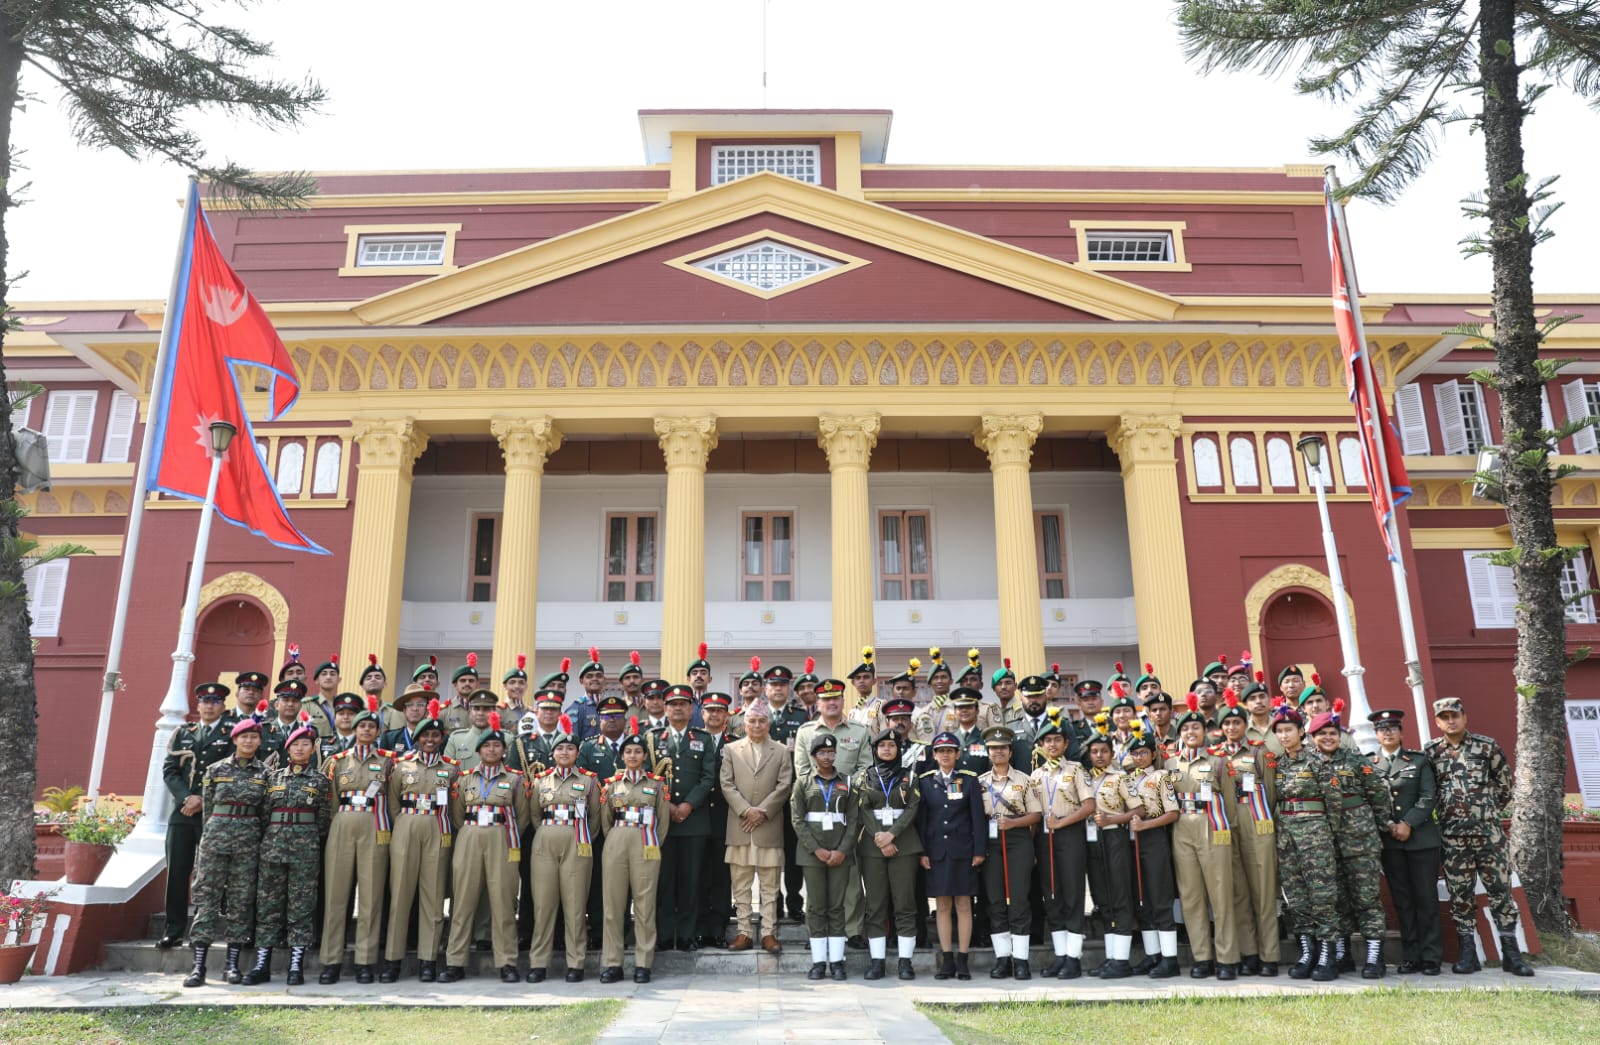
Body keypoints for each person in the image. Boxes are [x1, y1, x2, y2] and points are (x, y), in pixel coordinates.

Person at [1424, 696, 1535, 976]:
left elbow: (1505, 786)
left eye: (1455, 715)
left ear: (1464, 717)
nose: (1451, 720)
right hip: (1453, 838)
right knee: (1460, 895)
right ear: (1437, 722)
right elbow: (1429, 791)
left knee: (1500, 891)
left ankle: (1512, 955)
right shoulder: (1431, 753)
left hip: (1489, 836)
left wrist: (1484, 812)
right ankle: (1468, 955)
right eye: (1445, 717)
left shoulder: (1487, 746)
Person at [440, 713, 530, 983]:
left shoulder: (515, 779)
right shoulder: (465, 779)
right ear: (478, 750)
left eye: (497, 746)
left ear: (504, 750)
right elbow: (457, 814)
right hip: (469, 836)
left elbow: (523, 816)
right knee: (463, 902)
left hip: (502, 838)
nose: (492, 749)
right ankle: (455, 961)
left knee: (503, 902)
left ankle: (507, 962)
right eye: (486, 746)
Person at [183, 718, 270, 989]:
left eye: (254, 737)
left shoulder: (265, 774)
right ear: (235, 740)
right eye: (243, 737)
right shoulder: (215, 769)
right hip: (215, 839)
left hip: (248, 841)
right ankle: (198, 964)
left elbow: (265, 812)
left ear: (259, 741)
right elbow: (207, 808)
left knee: (240, 901)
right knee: (206, 898)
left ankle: (232, 965)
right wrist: (212, 832)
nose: (248, 741)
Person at [248, 724, 331, 986]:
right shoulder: (272, 779)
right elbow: (263, 816)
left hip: (305, 851)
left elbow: (324, 819)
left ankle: (296, 965)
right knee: (268, 907)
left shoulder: (320, 781)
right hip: (273, 849)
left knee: (301, 907)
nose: (299, 748)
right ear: (287, 748)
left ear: (312, 749)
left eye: (305, 744)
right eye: (295, 744)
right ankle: (262, 964)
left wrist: (305, 837)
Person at [317, 696, 393, 985]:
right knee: (336, 897)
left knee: (371, 898)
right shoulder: (336, 761)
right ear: (354, 730)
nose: (365, 731)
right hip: (344, 824)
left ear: (377, 732)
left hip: (374, 826)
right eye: (361, 726)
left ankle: (365, 960)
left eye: (371, 727)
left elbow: (393, 800)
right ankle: (331, 960)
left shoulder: (388, 762)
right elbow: (331, 801)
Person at [382, 700, 459, 983]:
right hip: (406, 825)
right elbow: (392, 802)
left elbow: (454, 806)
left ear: (441, 739)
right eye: (425, 736)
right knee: (400, 894)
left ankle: (429, 959)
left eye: (435, 736)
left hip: (437, 828)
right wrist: (401, 824)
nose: (429, 740)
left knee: (433, 896)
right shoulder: (401, 767)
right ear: (416, 738)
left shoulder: (451, 769)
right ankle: (392, 959)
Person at [792, 677, 871, 949]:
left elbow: (865, 768)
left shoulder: (859, 732)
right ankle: (817, 932)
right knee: (815, 879)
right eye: (825, 699)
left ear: (842, 700)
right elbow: (802, 769)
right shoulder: (805, 732)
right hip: (814, 808)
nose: (831, 703)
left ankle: (853, 930)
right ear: (819, 702)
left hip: (847, 808)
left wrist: (844, 788)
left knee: (849, 872)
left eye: (836, 698)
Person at [1311, 701, 1388, 977]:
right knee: (1338, 901)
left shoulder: (1356, 761)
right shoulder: (1309, 763)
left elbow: (1378, 795)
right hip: (1326, 843)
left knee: (1366, 899)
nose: (1328, 738)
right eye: (1322, 734)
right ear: (1313, 737)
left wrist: (1381, 828)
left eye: (1333, 733)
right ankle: (1343, 955)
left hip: (1360, 841)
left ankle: (1374, 956)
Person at [1168, 693, 1240, 979]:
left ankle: (1226, 958)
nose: (1190, 732)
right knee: (1191, 895)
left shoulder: (1220, 762)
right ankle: (1201, 957)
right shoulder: (1170, 764)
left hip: (1213, 825)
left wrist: (1228, 829)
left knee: (1220, 894)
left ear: (1205, 731)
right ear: (1180, 733)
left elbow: (1231, 803)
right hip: (1182, 827)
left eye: (1195, 728)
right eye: (1185, 728)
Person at [160, 681, 235, 949]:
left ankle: (205, 928)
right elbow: (170, 770)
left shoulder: (230, 734)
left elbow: (231, 773)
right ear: (198, 704)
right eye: (204, 701)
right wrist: (186, 798)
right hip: (182, 813)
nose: (209, 706)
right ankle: (174, 928)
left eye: (215, 702)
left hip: (212, 813)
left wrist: (203, 800)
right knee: (178, 871)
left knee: (211, 872)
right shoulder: (184, 733)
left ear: (223, 706)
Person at [1369, 707, 1443, 975]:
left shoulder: (1419, 761)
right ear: (1376, 734)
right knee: (1403, 900)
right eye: (1382, 729)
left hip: (1421, 840)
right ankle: (1412, 956)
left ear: (1400, 732)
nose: (1387, 732)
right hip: (1390, 843)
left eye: (1392, 728)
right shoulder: (1370, 764)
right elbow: (1372, 801)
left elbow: (1427, 796)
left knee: (1426, 898)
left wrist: (1408, 823)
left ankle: (1432, 956)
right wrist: (1389, 825)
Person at [527, 719, 602, 983]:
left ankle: (576, 962)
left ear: (577, 753)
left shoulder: (589, 781)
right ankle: (538, 962)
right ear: (553, 753)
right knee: (544, 905)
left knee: (574, 904)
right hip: (546, 840)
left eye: (570, 748)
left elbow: (595, 817)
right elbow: (534, 815)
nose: (565, 753)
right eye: (560, 749)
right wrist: (548, 832)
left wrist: (579, 837)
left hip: (577, 840)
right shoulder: (540, 782)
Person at [1270, 703, 1341, 981]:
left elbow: (1334, 802)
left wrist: (1325, 834)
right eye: (1280, 731)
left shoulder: (1318, 760)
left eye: (1289, 730)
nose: (1285, 736)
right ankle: (1308, 952)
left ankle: (1327, 955)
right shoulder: (1277, 764)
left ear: (1301, 731)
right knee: (1297, 899)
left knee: (1322, 897)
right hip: (1288, 839)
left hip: (1315, 837)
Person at [599, 720, 673, 984]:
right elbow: (605, 821)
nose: (633, 756)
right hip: (617, 841)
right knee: (613, 906)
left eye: (637, 752)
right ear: (622, 756)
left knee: (644, 906)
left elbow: (663, 822)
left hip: (646, 842)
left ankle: (643, 963)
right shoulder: (610, 785)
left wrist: (651, 843)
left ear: (644, 756)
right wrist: (617, 839)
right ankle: (612, 963)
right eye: (628, 752)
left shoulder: (656, 785)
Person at [720, 700, 795, 955]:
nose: (756, 725)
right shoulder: (731, 749)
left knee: (770, 886)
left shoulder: (782, 750)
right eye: (751, 721)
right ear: (744, 723)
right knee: (740, 885)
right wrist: (746, 810)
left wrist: (762, 812)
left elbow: (784, 785)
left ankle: (768, 933)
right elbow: (726, 784)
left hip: (769, 826)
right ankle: (743, 932)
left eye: (761, 721)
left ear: (768, 723)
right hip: (739, 825)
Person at [1213, 693, 1281, 976]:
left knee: (1263, 890)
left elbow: (1272, 790)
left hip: (1255, 819)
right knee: (1237, 890)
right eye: (1226, 723)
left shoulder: (1259, 752)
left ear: (1245, 724)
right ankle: (1248, 952)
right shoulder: (1214, 756)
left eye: (1236, 722)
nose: (1231, 727)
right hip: (1226, 823)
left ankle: (1269, 955)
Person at [649, 684, 718, 953]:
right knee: (664, 881)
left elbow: (708, 777)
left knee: (691, 881)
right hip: (662, 822)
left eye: (683, 703)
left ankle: (688, 935)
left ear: (692, 708)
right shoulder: (652, 738)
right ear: (665, 709)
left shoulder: (703, 738)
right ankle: (665, 935)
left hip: (694, 821)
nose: (678, 708)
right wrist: (666, 805)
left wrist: (688, 804)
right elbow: (648, 775)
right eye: (672, 703)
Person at [854, 729, 923, 980]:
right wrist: (881, 839)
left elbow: (912, 808)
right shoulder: (866, 777)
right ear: (875, 750)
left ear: (898, 750)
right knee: (875, 906)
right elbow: (864, 810)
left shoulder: (909, 776)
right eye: (881, 746)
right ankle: (878, 962)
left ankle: (906, 962)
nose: (886, 750)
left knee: (905, 904)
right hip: (873, 848)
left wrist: (891, 835)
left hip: (904, 844)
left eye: (891, 746)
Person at [917, 731, 986, 981]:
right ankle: (947, 959)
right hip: (936, 852)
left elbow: (977, 817)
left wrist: (979, 850)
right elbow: (922, 821)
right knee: (943, 905)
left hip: (963, 851)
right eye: (940, 751)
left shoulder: (968, 780)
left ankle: (963, 959)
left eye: (950, 750)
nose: (945, 754)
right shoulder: (925, 781)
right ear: (934, 755)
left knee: (964, 904)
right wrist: (922, 852)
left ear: (958, 754)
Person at [793, 733, 861, 981]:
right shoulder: (803, 783)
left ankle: (837, 961)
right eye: (822, 753)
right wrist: (817, 850)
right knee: (815, 906)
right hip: (813, 855)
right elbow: (798, 821)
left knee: (836, 907)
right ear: (813, 756)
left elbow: (853, 820)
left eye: (831, 753)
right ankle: (819, 962)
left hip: (840, 853)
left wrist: (842, 850)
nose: (827, 757)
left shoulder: (847, 783)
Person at [1028, 719, 1092, 978]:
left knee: (1072, 894)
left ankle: (1074, 958)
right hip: (1044, 839)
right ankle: (1060, 955)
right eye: (1047, 741)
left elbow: (1089, 806)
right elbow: (1034, 812)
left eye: (1057, 739)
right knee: (1051, 896)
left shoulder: (1076, 770)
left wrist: (1061, 823)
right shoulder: (1036, 775)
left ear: (1066, 743)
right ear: (1041, 745)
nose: (1052, 744)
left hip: (1070, 835)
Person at [978, 725, 1041, 980]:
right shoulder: (980, 782)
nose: (998, 752)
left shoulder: (1025, 781)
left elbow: (1036, 815)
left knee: (1018, 900)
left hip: (1017, 840)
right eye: (993, 749)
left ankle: (1021, 960)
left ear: (1010, 751)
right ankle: (1003, 958)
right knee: (995, 901)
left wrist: (1013, 823)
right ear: (988, 752)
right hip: (991, 842)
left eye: (1002, 748)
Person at [1125, 734, 1181, 977]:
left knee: (1160, 898)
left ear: (1153, 754)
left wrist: (1146, 826)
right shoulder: (1126, 779)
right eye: (1135, 753)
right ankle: (1152, 954)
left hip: (1154, 837)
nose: (1139, 757)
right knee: (1142, 900)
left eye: (1143, 753)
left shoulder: (1161, 778)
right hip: (1132, 840)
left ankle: (1170, 959)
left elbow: (1173, 813)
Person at [1083, 731, 1138, 978]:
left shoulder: (1120, 778)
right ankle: (1111, 957)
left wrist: (1111, 819)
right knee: (1102, 897)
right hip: (1093, 839)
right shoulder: (1084, 779)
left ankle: (1122, 960)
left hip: (1115, 836)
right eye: (1094, 751)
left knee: (1120, 896)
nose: (1099, 756)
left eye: (1104, 751)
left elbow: (1139, 809)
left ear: (1112, 753)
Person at [579, 693, 630, 949]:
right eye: (607, 716)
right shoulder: (587, 747)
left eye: (617, 716)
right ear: (598, 720)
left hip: (627, 825)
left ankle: (625, 929)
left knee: (628, 879)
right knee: (599, 879)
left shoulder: (634, 745)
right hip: (597, 823)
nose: (612, 721)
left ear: (625, 719)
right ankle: (598, 930)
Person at [696, 690, 739, 948]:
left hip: (725, 818)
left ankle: (719, 928)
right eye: (710, 710)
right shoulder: (695, 740)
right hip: (698, 818)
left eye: (719, 710)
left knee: (722, 877)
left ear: (726, 715)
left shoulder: (734, 743)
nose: (714, 714)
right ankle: (701, 929)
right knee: (699, 875)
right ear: (702, 714)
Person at [379, 682, 431, 755]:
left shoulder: (436, 739)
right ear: (404, 710)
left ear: (427, 709)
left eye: (420, 704)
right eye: (409, 704)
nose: (415, 708)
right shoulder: (389, 738)